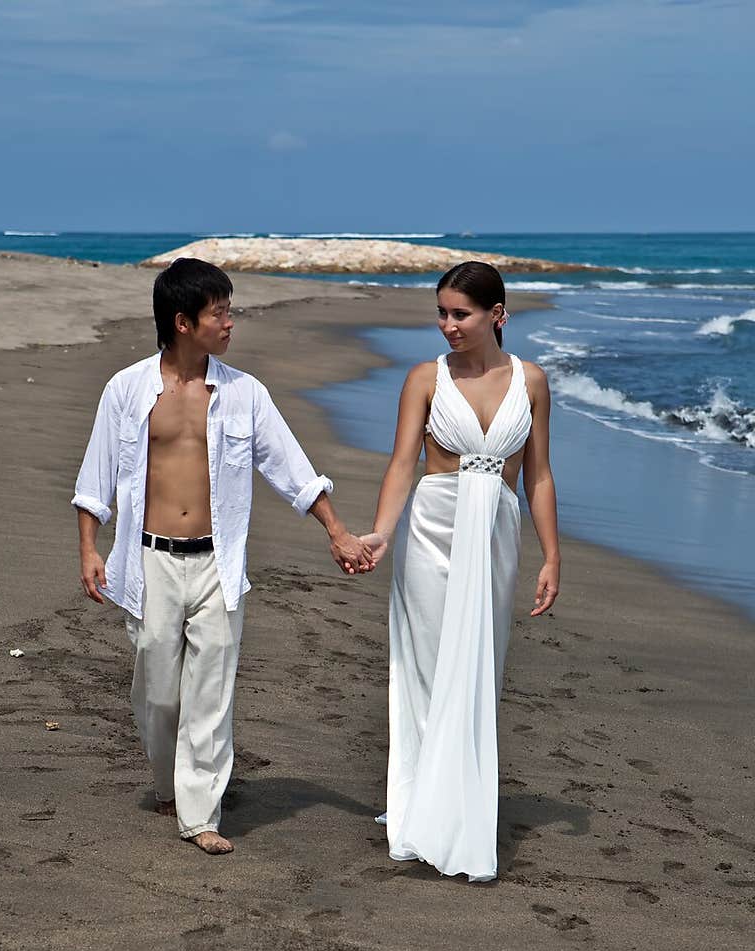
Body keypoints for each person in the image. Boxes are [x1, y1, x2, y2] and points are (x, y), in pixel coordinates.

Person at [72, 258, 371, 855]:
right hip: (149, 560)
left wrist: (338, 532)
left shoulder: (244, 394)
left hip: (218, 563)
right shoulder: (127, 390)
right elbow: (96, 474)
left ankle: (200, 813)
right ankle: (168, 783)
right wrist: (89, 548)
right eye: (220, 312)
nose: (231, 322)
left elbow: (292, 468)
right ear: (184, 322)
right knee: (157, 691)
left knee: (211, 690)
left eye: (229, 310)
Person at [361, 261, 560, 881]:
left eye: (461, 313)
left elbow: (539, 476)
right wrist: (381, 533)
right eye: (442, 313)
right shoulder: (424, 378)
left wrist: (553, 555)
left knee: (477, 667)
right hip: (430, 531)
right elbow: (402, 464)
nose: (448, 325)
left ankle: (462, 808)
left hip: (495, 534)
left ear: (498, 315)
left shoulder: (532, 382)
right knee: (425, 664)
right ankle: (421, 809)